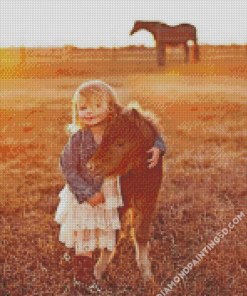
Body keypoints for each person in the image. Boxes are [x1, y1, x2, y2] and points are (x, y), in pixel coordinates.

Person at [54, 80, 166, 286]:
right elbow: (67, 167)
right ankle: (85, 273)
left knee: (112, 220)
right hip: (87, 192)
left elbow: (151, 128)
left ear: (111, 108)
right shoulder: (79, 137)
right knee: (89, 230)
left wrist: (158, 147)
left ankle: (139, 258)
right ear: (76, 110)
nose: (90, 112)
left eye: (97, 106)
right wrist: (86, 193)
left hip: (110, 185)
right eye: (83, 107)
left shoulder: (119, 121)